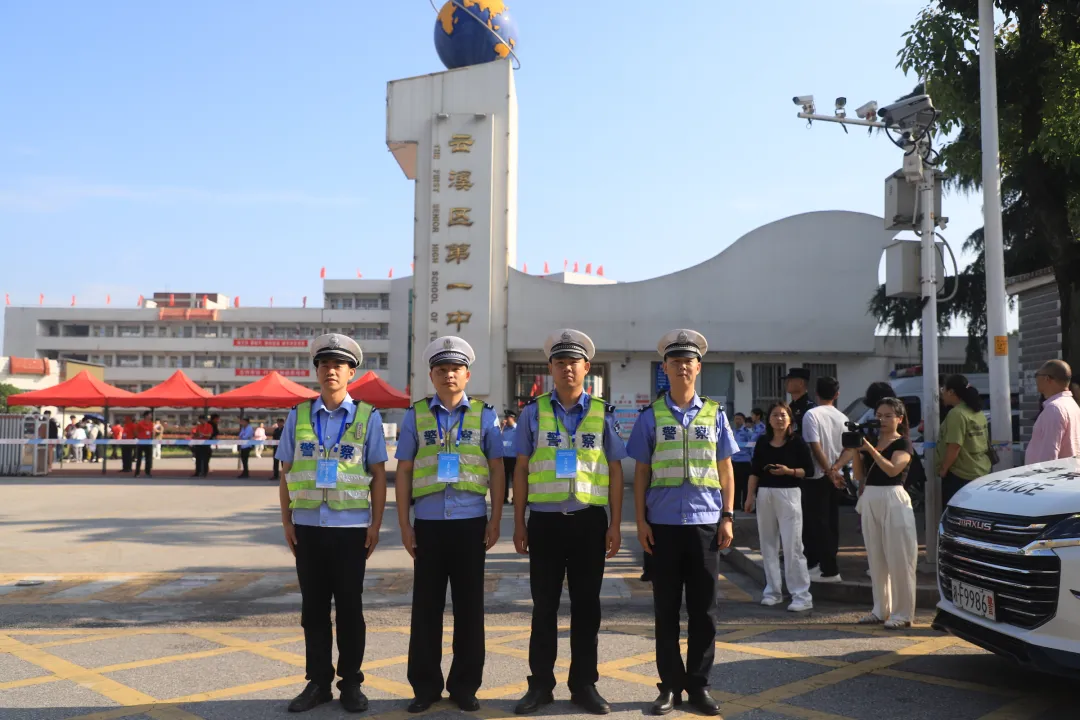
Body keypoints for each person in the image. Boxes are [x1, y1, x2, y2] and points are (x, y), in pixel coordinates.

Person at [512, 329, 625, 716]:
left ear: (586, 367)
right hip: (544, 522)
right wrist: (519, 522)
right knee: (544, 607)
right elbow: (522, 468)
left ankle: (584, 685)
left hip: (589, 522)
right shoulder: (533, 412)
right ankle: (540, 685)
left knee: (586, 607)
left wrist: (615, 524)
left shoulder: (602, 413)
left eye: (573, 362)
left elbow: (614, 468)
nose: (566, 368)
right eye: (559, 362)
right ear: (551, 369)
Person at [276, 333, 388, 714]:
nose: (330, 371)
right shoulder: (298, 415)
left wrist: (376, 525)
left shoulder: (368, 416)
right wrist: (287, 521)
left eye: (338, 365)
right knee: (314, 611)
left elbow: (377, 473)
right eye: (324, 365)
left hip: (350, 529)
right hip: (307, 526)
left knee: (350, 610)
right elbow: (286, 470)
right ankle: (318, 682)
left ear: (351, 372)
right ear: (317, 371)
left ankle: (351, 683)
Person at [627, 329, 736, 716]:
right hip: (664, 525)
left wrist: (727, 516)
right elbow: (641, 473)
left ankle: (699, 686)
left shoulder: (714, 414)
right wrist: (640, 521)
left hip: (707, 523)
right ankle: (669, 687)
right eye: (675, 362)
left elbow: (725, 469)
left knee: (705, 610)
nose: (682, 367)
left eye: (688, 362)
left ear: (698, 367)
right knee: (666, 610)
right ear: (665, 369)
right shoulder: (650, 416)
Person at [395, 336, 504, 713]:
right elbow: (404, 469)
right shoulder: (416, 415)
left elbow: (496, 467)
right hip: (428, 523)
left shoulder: (485, 416)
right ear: (432, 376)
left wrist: (496, 518)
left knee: (469, 609)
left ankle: (464, 686)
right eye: (441, 370)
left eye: (455, 369)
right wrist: (405, 525)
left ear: (467, 375)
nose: (448, 375)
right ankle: (424, 688)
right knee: (426, 609)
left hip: (470, 522)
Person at [853, 397, 918, 629]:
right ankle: (880, 609)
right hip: (871, 497)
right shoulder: (871, 440)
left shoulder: (904, 443)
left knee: (899, 558)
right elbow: (859, 476)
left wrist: (870, 449)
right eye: (879, 415)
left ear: (899, 419)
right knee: (876, 558)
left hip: (894, 498)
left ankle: (903, 613)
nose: (882, 419)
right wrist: (855, 451)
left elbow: (893, 470)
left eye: (888, 415)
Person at [744, 402, 814, 614]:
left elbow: (808, 471)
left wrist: (789, 471)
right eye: (775, 415)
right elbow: (754, 471)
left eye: (783, 415)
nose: (779, 419)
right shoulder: (763, 442)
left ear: (790, 419)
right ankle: (773, 591)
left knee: (793, 546)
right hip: (765, 493)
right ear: (769, 420)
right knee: (768, 545)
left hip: (789, 493)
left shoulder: (797, 442)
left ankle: (801, 595)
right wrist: (749, 497)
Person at [801, 377, 848, 584]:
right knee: (831, 522)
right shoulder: (843, 417)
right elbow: (851, 448)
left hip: (816, 476)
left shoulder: (811, 414)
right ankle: (828, 565)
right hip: (836, 476)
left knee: (815, 523)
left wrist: (828, 470)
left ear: (815, 393)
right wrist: (836, 469)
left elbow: (815, 446)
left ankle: (825, 568)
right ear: (837, 395)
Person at [936, 374, 991, 506]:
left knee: (957, 517)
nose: (941, 393)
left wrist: (944, 469)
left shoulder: (956, 414)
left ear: (951, 392)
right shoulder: (977, 411)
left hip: (960, 476)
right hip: (980, 471)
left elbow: (954, 446)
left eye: (943, 389)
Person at [1025, 360, 1080, 464]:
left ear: (1047, 378)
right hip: (1067, 474)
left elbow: (1049, 455)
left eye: (1037, 375)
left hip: (1051, 477)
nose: (1036, 379)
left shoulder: (1054, 408)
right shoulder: (1072, 404)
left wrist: (1041, 479)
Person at [731, 412, 756, 511]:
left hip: (745, 462)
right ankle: (736, 505)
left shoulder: (748, 432)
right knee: (735, 485)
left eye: (739, 419)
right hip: (734, 461)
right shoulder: (731, 432)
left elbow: (752, 445)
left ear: (743, 421)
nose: (737, 421)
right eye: (736, 419)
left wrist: (752, 459)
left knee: (745, 486)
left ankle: (745, 506)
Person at [783, 368, 815, 438]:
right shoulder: (790, 407)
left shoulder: (810, 408)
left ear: (801, 383)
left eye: (790, 380)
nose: (786, 383)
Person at [501, 411, 518, 504]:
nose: (506, 420)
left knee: (515, 480)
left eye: (508, 418)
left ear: (513, 418)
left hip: (514, 458)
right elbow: (497, 437)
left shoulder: (518, 429)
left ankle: (515, 498)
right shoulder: (504, 429)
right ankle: (504, 497)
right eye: (506, 417)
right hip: (504, 457)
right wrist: (502, 427)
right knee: (504, 480)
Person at [133, 411, 155, 478]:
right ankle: (137, 473)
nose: (151, 416)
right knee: (139, 458)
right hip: (141, 443)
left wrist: (152, 438)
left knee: (148, 458)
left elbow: (152, 432)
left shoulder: (151, 424)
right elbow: (136, 432)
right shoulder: (140, 423)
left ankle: (147, 472)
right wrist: (139, 437)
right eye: (150, 415)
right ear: (146, 416)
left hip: (148, 442)